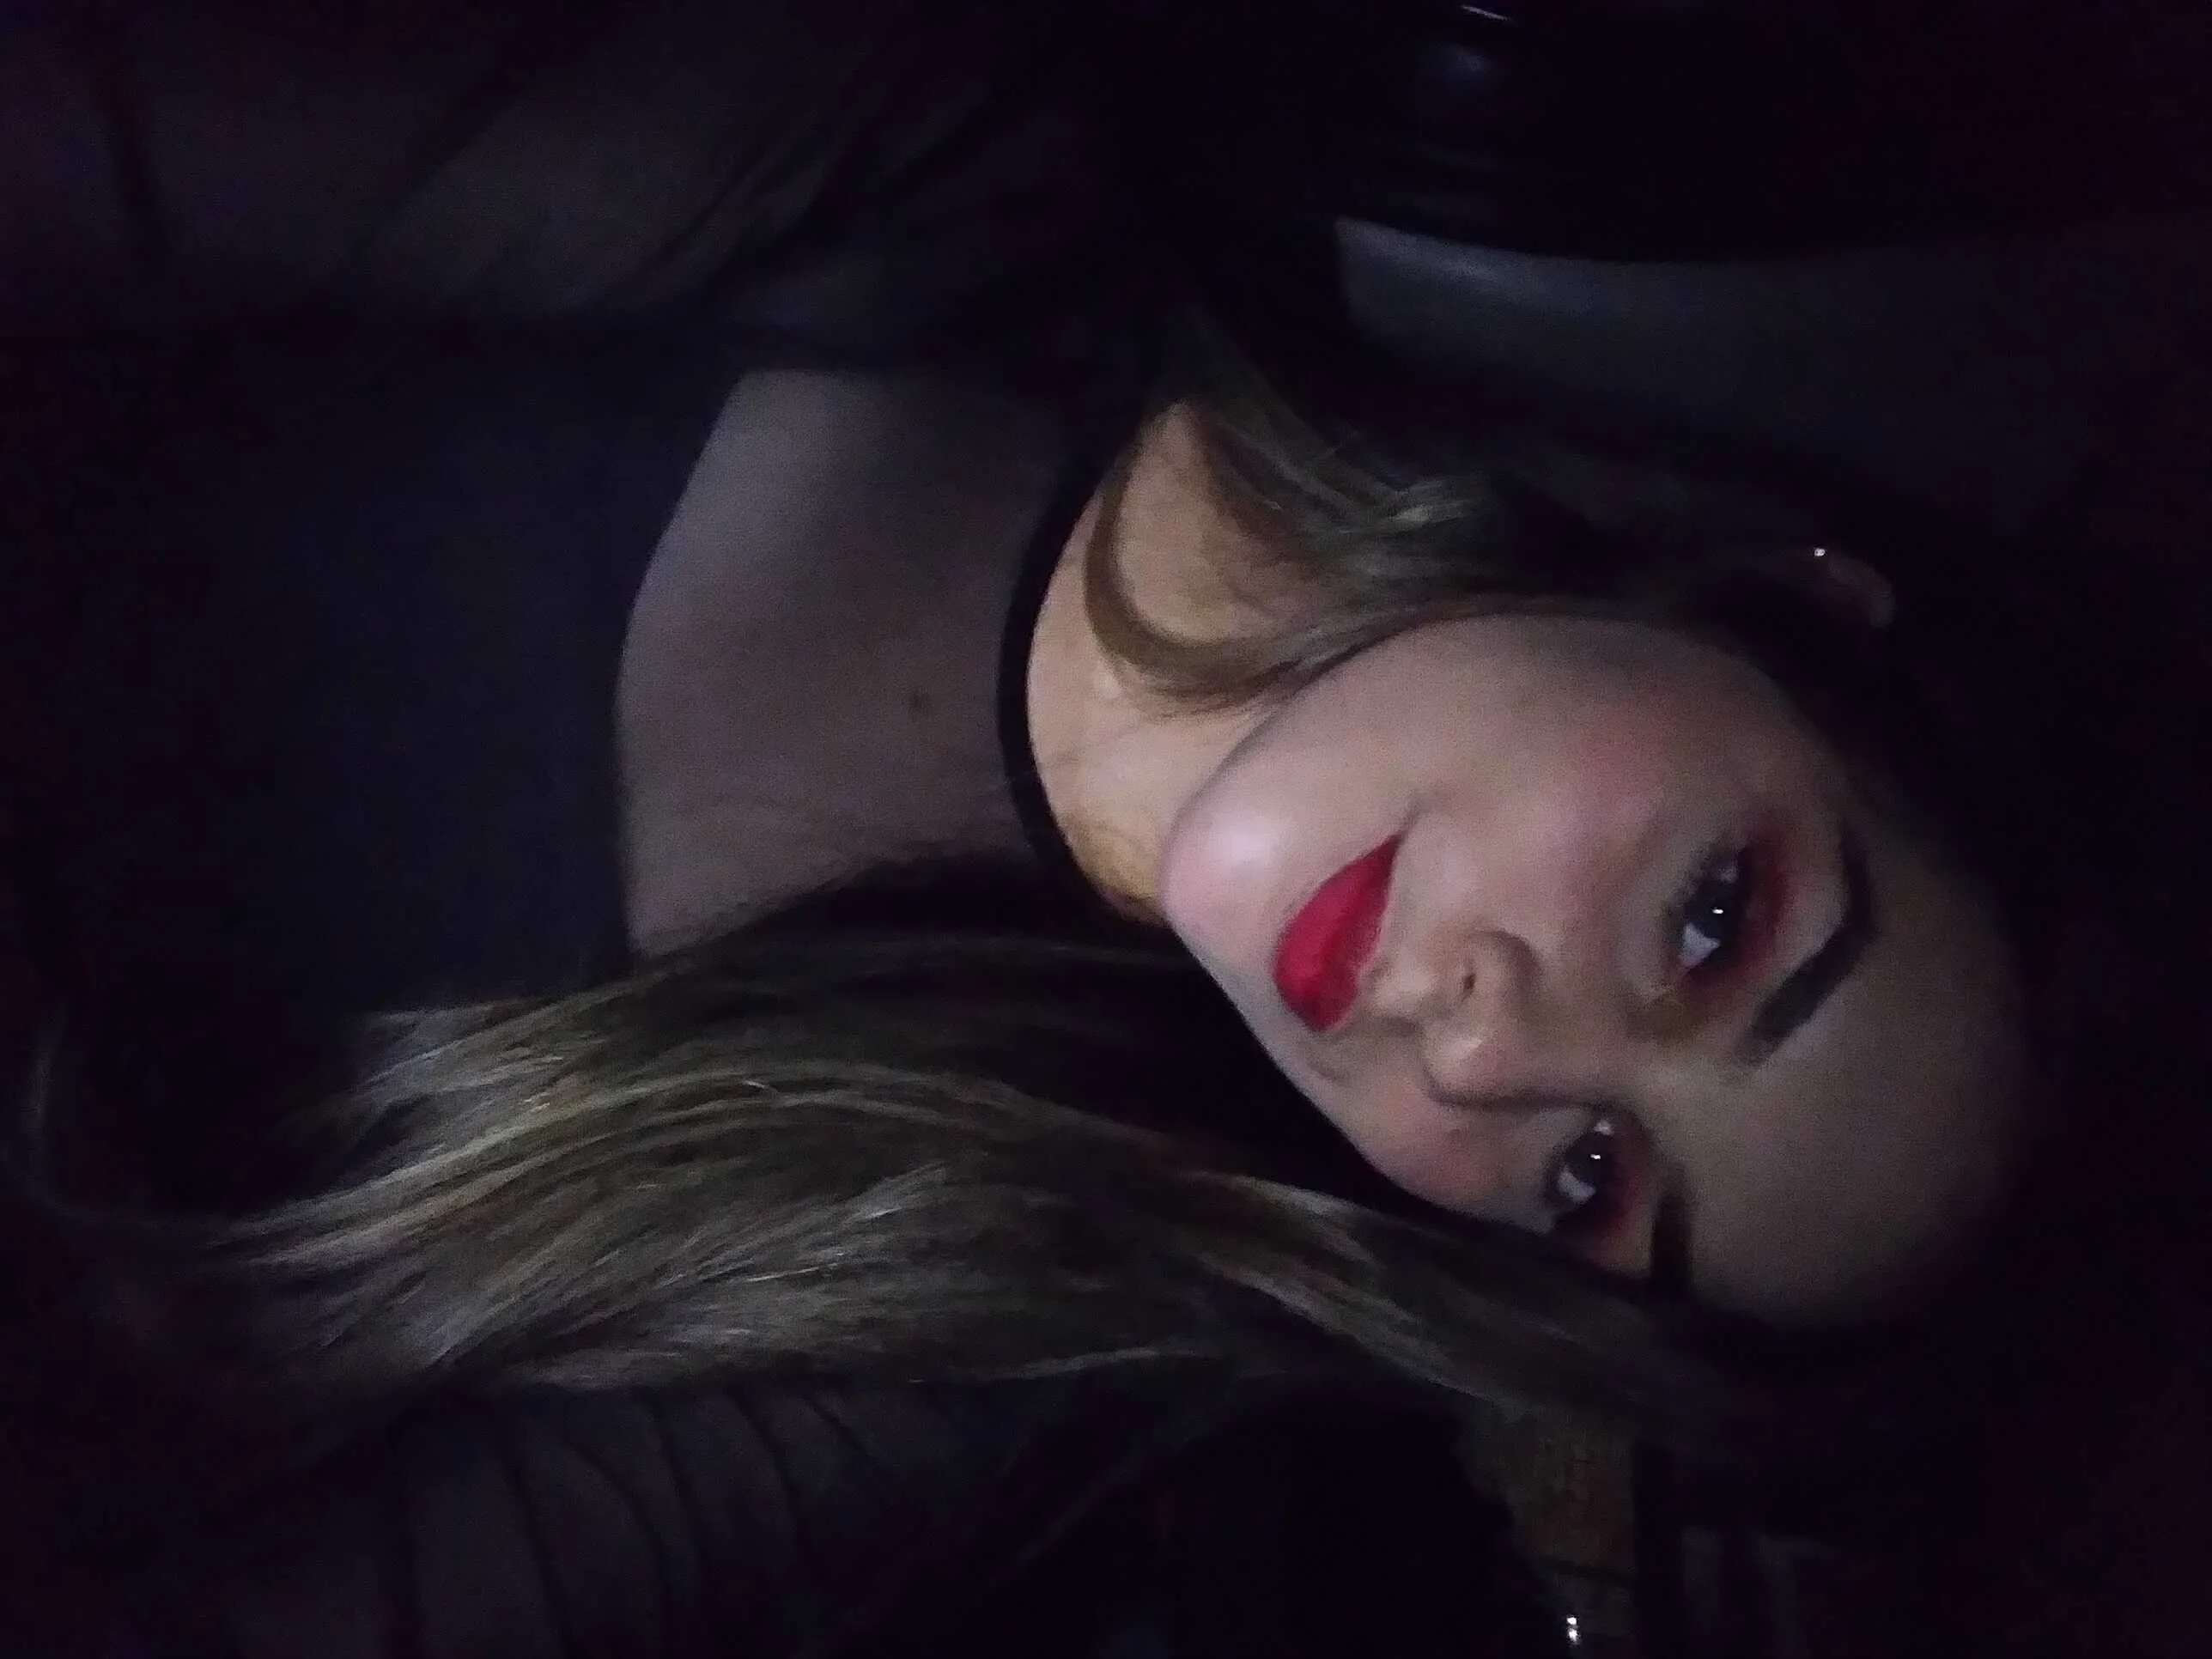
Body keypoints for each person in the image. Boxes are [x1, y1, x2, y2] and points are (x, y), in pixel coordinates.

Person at [0, 0, 2197, 1652]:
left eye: (1591, 1182)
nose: (1484, 1054)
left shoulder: (986, 1330)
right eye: (1713, 926)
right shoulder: (920, 176)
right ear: (1794, 611)